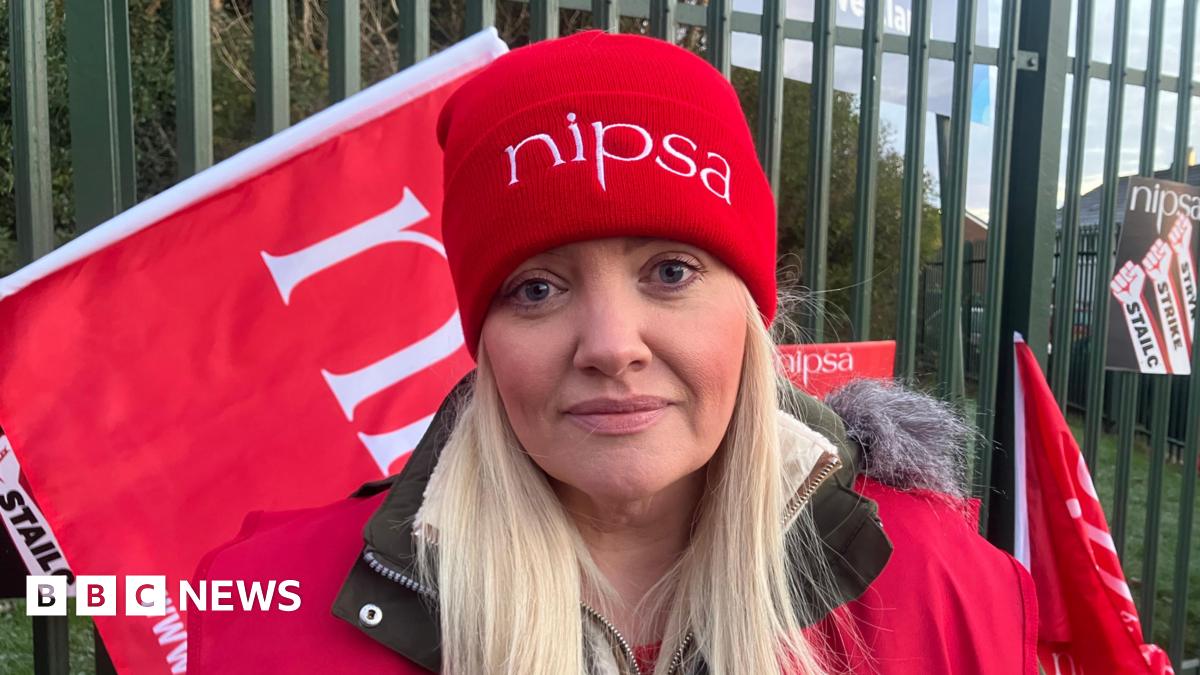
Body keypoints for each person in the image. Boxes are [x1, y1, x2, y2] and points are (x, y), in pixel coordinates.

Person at [188, 29, 1034, 674]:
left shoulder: (944, 587)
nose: (611, 345)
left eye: (670, 271)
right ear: (482, 335)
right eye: (537, 289)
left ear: (747, 311)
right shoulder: (274, 613)